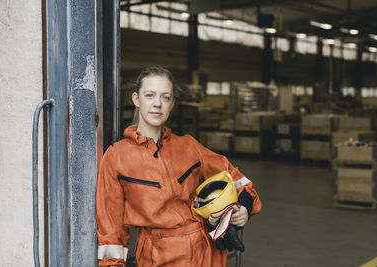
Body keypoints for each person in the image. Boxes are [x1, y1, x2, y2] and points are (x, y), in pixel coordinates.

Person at [96, 66, 261, 267]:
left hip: (205, 251)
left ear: (172, 103)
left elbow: (236, 178)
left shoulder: (188, 146)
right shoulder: (116, 157)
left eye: (165, 97)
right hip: (157, 257)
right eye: (150, 95)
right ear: (136, 99)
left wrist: (244, 206)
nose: (157, 103)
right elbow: (111, 230)